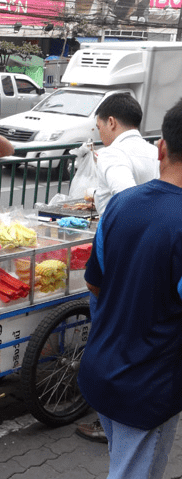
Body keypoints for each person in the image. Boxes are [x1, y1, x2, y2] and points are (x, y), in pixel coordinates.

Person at [61, 98, 182, 479]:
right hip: (148, 384)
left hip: (101, 367)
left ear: (161, 149)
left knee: (132, 467)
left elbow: (95, 284)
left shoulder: (123, 205)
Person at [75, 93, 160, 444]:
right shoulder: (155, 151)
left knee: (109, 337)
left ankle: (107, 419)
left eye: (100, 127)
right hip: (153, 257)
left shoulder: (112, 153)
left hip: (119, 260)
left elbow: (127, 198)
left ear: (111, 122)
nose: (101, 135)